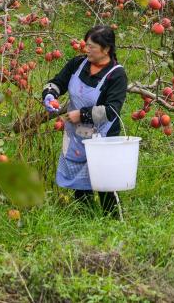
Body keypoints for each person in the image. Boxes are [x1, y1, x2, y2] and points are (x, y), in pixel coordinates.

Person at [42, 25, 127, 215]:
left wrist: (82, 114)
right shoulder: (78, 64)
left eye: (91, 46)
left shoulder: (116, 75)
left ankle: (113, 219)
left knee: (105, 181)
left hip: (102, 135)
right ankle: (85, 215)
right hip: (78, 134)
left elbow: (111, 111)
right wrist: (49, 94)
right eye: (86, 45)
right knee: (80, 178)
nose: (86, 49)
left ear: (106, 49)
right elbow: (57, 82)